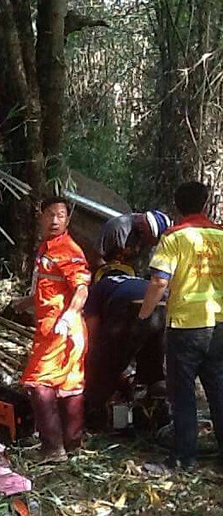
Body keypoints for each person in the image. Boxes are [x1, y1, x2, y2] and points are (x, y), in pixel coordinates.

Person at [138, 181, 223, 470]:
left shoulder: (174, 237)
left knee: (183, 393)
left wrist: (145, 315)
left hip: (186, 326)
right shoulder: (221, 235)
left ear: (177, 206)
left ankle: (184, 457)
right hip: (219, 323)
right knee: (218, 390)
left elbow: (159, 281)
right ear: (205, 204)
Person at [13, 197, 91, 461]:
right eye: (50, 214)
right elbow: (50, 289)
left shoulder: (67, 250)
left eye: (60, 215)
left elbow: (81, 288)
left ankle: (52, 448)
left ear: (68, 220)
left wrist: (69, 315)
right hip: (60, 330)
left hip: (61, 331)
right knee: (69, 386)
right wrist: (25, 303)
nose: (55, 220)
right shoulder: (46, 248)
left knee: (37, 383)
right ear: (41, 216)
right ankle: (73, 445)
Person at [83, 260, 167, 429]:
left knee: (105, 368)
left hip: (127, 308)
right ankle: (157, 417)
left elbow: (92, 328)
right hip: (161, 305)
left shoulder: (99, 288)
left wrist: (93, 357)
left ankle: (96, 419)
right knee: (153, 369)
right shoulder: (138, 281)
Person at [95, 210, 172, 277]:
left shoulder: (147, 238)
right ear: (143, 228)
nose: (150, 244)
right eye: (149, 240)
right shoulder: (118, 228)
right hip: (106, 273)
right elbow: (96, 257)